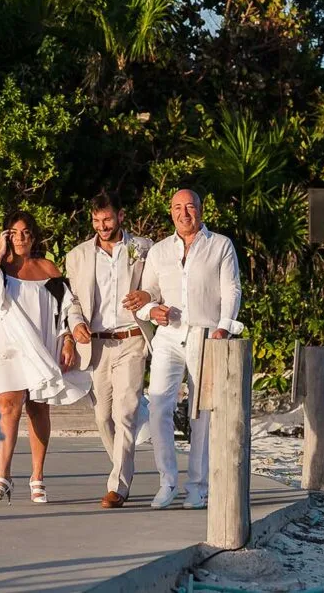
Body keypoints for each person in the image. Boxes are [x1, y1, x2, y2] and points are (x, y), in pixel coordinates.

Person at [0, 211, 91, 505]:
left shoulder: (47, 268)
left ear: (34, 237)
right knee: (7, 406)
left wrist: (68, 339)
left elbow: (67, 308)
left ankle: (37, 476)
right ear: (6, 236)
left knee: (38, 408)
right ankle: (3, 477)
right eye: (14, 233)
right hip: (6, 347)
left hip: (40, 343)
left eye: (26, 232)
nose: (21, 238)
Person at [136, 189, 243, 510]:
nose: (184, 214)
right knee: (158, 406)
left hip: (206, 335)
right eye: (178, 208)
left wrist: (224, 327)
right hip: (168, 336)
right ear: (170, 212)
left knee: (202, 413)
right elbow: (147, 292)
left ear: (201, 209)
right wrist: (151, 311)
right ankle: (167, 481)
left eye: (190, 207)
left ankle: (197, 486)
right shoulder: (158, 251)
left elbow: (231, 289)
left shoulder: (220, 245)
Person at [65, 192, 154, 509]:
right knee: (103, 418)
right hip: (97, 344)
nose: (102, 226)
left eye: (107, 219)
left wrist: (146, 295)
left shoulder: (143, 248)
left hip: (132, 339)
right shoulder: (77, 255)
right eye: (96, 220)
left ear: (120, 216)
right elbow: (73, 301)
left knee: (125, 413)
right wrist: (76, 324)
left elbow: (157, 287)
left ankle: (118, 486)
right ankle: (123, 467)